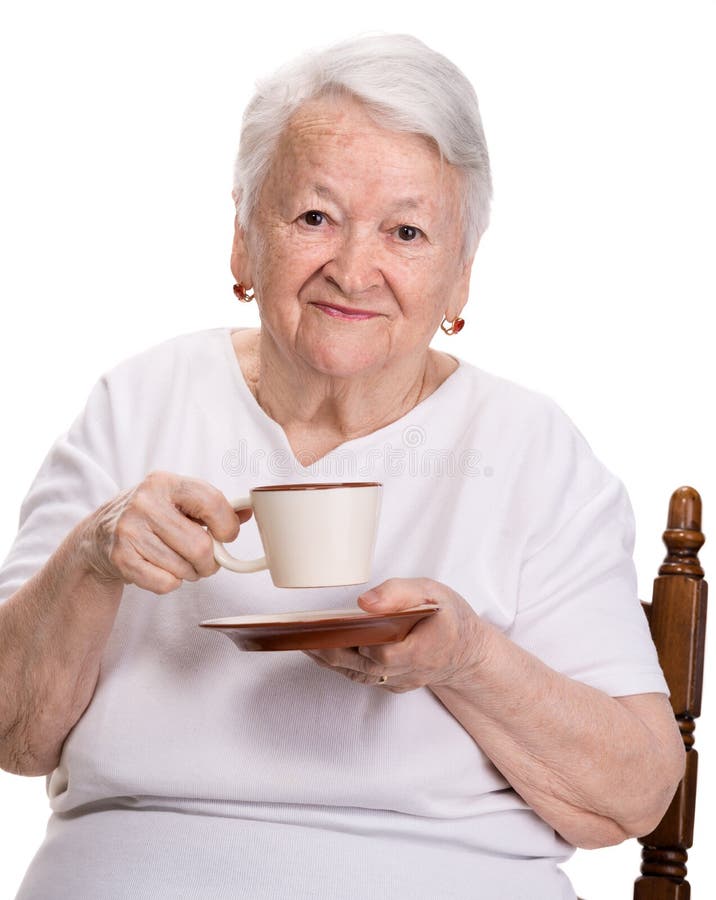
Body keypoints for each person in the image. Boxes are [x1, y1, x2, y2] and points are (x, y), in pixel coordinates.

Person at [0, 33, 684, 900]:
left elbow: (633, 797)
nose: (355, 271)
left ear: (460, 278)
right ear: (245, 243)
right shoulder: (139, 400)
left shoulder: (530, 448)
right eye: (314, 217)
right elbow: (12, 736)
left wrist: (470, 658)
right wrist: (93, 560)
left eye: (406, 231)